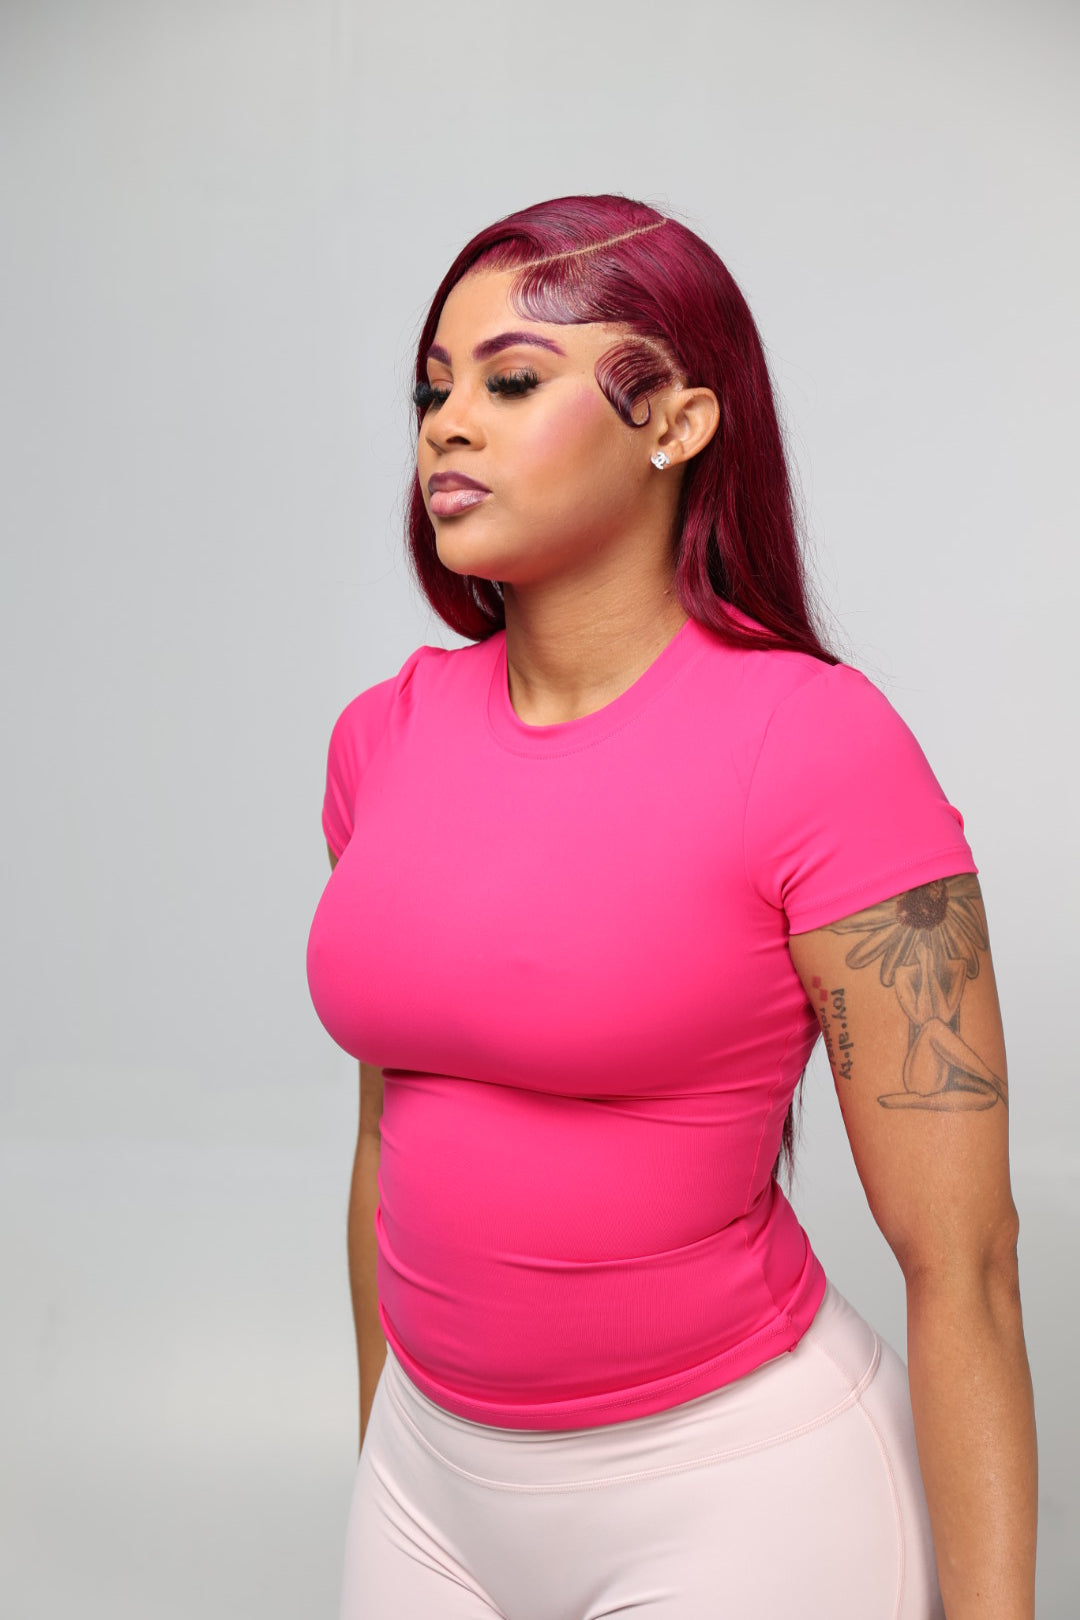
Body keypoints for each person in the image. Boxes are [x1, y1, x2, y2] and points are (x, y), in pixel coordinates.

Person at [305, 194, 1037, 1619]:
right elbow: (388, 1137)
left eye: (514, 382)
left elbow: (969, 1264)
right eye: (434, 391)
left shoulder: (818, 747)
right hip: (429, 1488)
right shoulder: (380, 738)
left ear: (679, 423)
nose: (449, 427)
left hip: (740, 1494)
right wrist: (388, 1456)